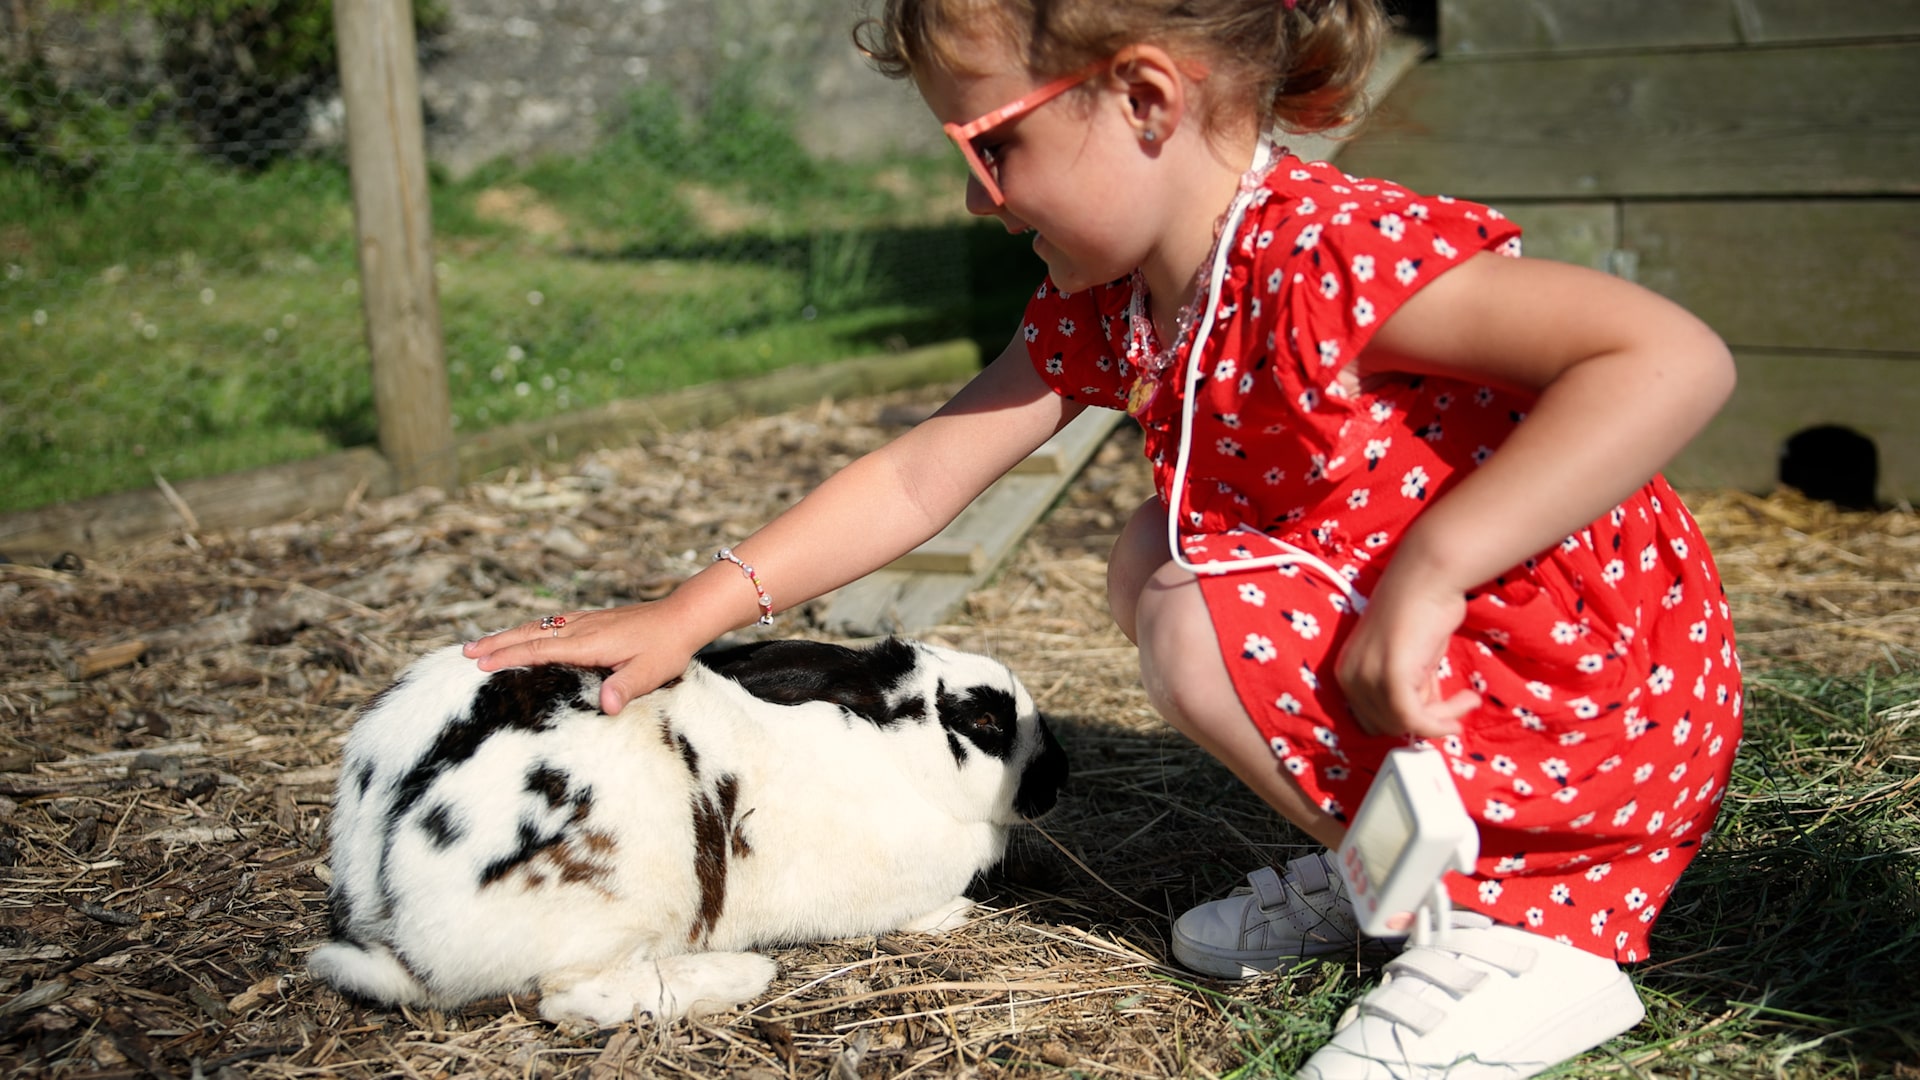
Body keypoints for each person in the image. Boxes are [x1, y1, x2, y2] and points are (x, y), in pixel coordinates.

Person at [466, 0, 1744, 1075]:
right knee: (1155, 556)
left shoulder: (1325, 254)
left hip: (1592, 686)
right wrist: (687, 616)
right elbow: (922, 474)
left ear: (1141, 99)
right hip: (1450, 665)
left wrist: (1437, 566)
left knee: (1190, 611)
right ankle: (1398, 864)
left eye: (990, 149)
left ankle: (1536, 928)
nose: (975, 204)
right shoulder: (1121, 308)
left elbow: (1667, 357)